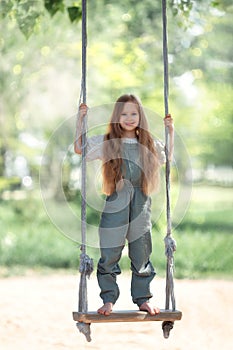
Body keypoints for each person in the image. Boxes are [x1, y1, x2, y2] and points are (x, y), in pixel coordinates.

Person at [74, 94, 174, 316]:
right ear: (117, 117)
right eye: (124, 114)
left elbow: (167, 156)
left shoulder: (147, 143)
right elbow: (80, 148)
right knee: (110, 252)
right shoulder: (108, 142)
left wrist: (170, 132)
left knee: (141, 253)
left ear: (140, 116)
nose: (129, 118)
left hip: (141, 205)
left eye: (133, 113)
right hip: (116, 202)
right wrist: (81, 120)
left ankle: (143, 299)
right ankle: (108, 298)